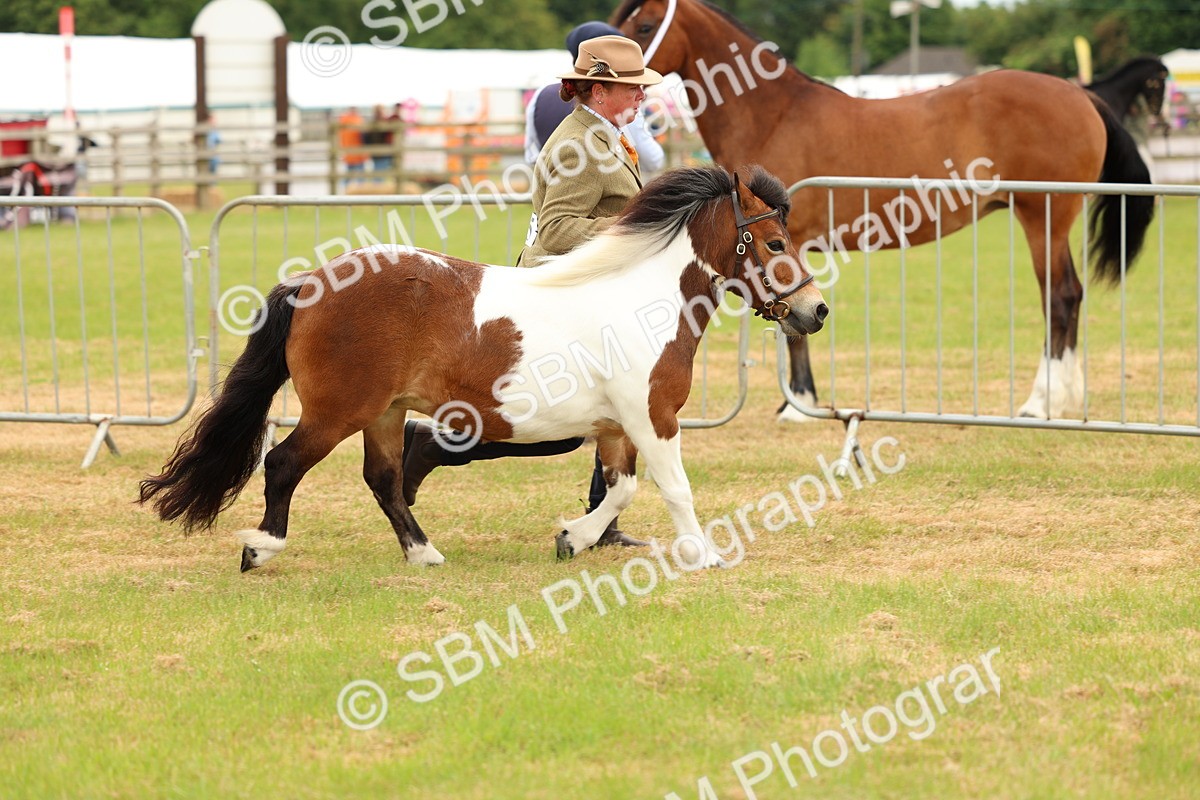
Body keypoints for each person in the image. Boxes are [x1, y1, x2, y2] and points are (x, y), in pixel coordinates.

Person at [402, 35, 663, 548]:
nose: (641, 97)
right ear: (600, 89)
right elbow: (558, 230)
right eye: (633, 89)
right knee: (562, 429)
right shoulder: (576, 143)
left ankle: (601, 520)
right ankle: (434, 445)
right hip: (560, 298)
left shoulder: (605, 133)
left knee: (616, 404)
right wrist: (633, 229)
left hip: (593, 294)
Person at [524, 21, 664, 174]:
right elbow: (652, 160)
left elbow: (532, 156)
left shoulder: (540, 96)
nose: (640, 94)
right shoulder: (619, 104)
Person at [338, 107, 367, 188]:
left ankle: (343, 189)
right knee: (360, 175)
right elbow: (362, 137)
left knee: (349, 173)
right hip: (358, 152)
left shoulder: (343, 120)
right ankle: (361, 190)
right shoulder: (358, 120)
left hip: (349, 152)